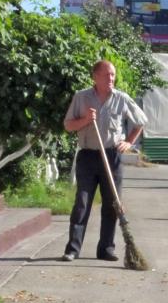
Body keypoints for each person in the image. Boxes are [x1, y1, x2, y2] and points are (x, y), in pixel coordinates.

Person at [62, 60, 147, 262]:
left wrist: (128, 142)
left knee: (111, 204)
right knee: (82, 203)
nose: (111, 78)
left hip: (112, 156)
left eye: (113, 75)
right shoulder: (81, 97)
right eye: (107, 74)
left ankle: (106, 249)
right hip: (88, 156)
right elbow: (68, 125)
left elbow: (141, 122)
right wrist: (85, 120)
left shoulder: (121, 98)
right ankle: (73, 249)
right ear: (95, 76)